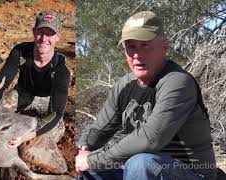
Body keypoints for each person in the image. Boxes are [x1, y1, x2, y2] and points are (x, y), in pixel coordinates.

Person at [76, 11, 216, 180]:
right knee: (84, 170)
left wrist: (92, 160)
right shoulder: (124, 84)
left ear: (164, 46)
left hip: (193, 173)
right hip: (141, 170)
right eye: (131, 47)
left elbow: (151, 138)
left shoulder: (177, 83)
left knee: (141, 164)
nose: (137, 55)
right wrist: (82, 149)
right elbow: (99, 129)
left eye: (145, 45)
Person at [0, 10, 70, 149]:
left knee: (54, 131)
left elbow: (56, 112)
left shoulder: (61, 68)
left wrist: (25, 137)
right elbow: (2, 83)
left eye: (50, 33)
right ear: (34, 32)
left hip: (47, 100)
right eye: (40, 32)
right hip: (23, 93)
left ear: (58, 37)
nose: (44, 38)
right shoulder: (20, 51)